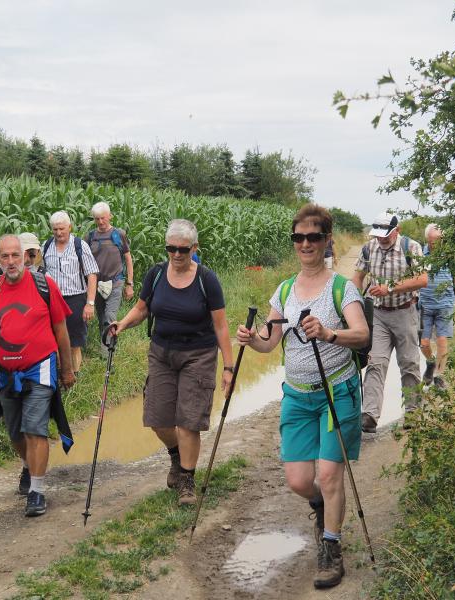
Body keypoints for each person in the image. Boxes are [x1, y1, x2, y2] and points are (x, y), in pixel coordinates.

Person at [236, 204, 368, 589]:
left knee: (328, 474)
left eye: (313, 237)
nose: (305, 244)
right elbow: (269, 341)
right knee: (298, 480)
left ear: (327, 241)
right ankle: (323, 510)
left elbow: (361, 334)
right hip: (296, 395)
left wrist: (328, 333)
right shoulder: (284, 290)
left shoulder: (342, 288)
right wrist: (252, 339)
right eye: (299, 237)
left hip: (335, 393)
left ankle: (331, 548)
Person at [110, 219, 234, 506]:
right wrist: (121, 324)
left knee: (189, 421)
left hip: (198, 356)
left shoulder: (207, 279)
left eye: (183, 249)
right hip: (162, 353)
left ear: (194, 248)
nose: (176, 255)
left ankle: (187, 481)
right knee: (158, 418)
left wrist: (228, 367)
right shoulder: (155, 275)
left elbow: (221, 326)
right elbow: (141, 309)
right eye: (171, 249)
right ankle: (177, 455)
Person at [0, 234, 76, 517]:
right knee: (15, 432)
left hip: (40, 369)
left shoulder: (43, 286)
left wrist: (66, 368)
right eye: (5, 257)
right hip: (5, 374)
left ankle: (37, 491)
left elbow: (61, 329)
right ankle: (28, 466)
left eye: (16, 255)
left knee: (34, 428)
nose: (11, 261)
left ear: (25, 256)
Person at [351, 212, 428, 433]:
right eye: (378, 236)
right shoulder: (368, 248)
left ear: (397, 230)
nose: (381, 240)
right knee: (376, 362)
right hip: (378, 315)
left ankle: (413, 413)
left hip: (405, 312)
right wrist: (353, 300)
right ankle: (370, 416)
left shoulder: (411, 247)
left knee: (409, 364)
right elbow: (357, 277)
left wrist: (390, 288)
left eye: (386, 236)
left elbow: (423, 279)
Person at [42, 211, 99, 375]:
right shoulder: (46, 246)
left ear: (69, 227)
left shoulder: (80, 246)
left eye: (62, 229)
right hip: (52, 301)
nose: (58, 233)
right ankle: (61, 374)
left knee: (74, 342)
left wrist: (90, 303)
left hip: (75, 300)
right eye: (55, 229)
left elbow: (92, 275)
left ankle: (75, 374)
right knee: (54, 340)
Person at [418, 223, 455, 390]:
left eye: (439, 241)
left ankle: (439, 376)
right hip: (424, 305)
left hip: (445, 304)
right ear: (427, 239)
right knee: (424, 343)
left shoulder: (450, 256)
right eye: (432, 241)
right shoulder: (420, 254)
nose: (435, 244)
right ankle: (431, 363)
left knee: (442, 341)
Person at [85, 202, 134, 357]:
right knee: (101, 318)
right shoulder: (90, 237)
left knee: (109, 316)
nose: (100, 222)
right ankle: (107, 344)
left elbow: (128, 258)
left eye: (103, 218)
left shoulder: (119, 234)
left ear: (110, 216)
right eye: (97, 219)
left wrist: (129, 284)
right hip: (97, 284)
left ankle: (107, 355)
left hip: (116, 282)